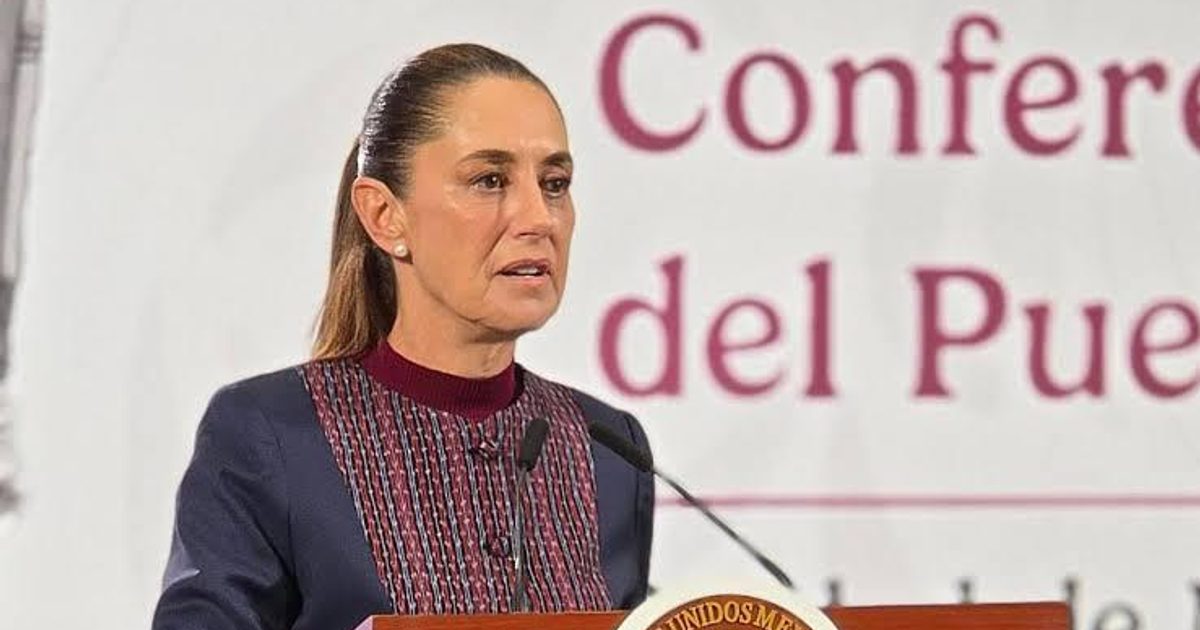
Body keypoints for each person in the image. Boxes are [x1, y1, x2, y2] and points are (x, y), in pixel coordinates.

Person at [151, 44, 654, 630]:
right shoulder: (271, 435)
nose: (539, 217)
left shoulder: (607, 450)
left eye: (555, 183)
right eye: (489, 180)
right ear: (384, 215)